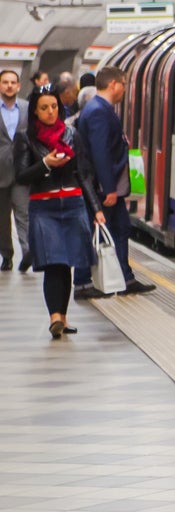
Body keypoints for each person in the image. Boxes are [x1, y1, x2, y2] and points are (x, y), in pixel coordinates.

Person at [13, 87, 94, 339]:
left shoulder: (71, 134)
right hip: (44, 206)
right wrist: (46, 163)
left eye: (54, 107)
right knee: (52, 262)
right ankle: (54, 317)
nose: (50, 112)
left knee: (66, 263)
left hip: (72, 204)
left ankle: (63, 317)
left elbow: (83, 173)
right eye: (44, 108)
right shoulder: (26, 138)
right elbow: (22, 175)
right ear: (35, 112)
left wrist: (97, 209)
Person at [73, 66, 155, 300]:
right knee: (97, 230)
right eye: (124, 84)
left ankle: (124, 278)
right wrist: (108, 188)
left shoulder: (97, 108)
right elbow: (100, 152)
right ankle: (82, 281)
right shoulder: (99, 110)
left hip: (105, 185)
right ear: (114, 85)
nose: (125, 89)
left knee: (119, 228)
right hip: (103, 186)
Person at [0, 69, 29, 271]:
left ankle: (27, 253)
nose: (9, 85)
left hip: (22, 171)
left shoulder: (27, 108)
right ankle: (7, 254)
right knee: (2, 218)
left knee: (23, 214)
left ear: (18, 86)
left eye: (13, 82)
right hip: (0, 172)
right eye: (5, 82)